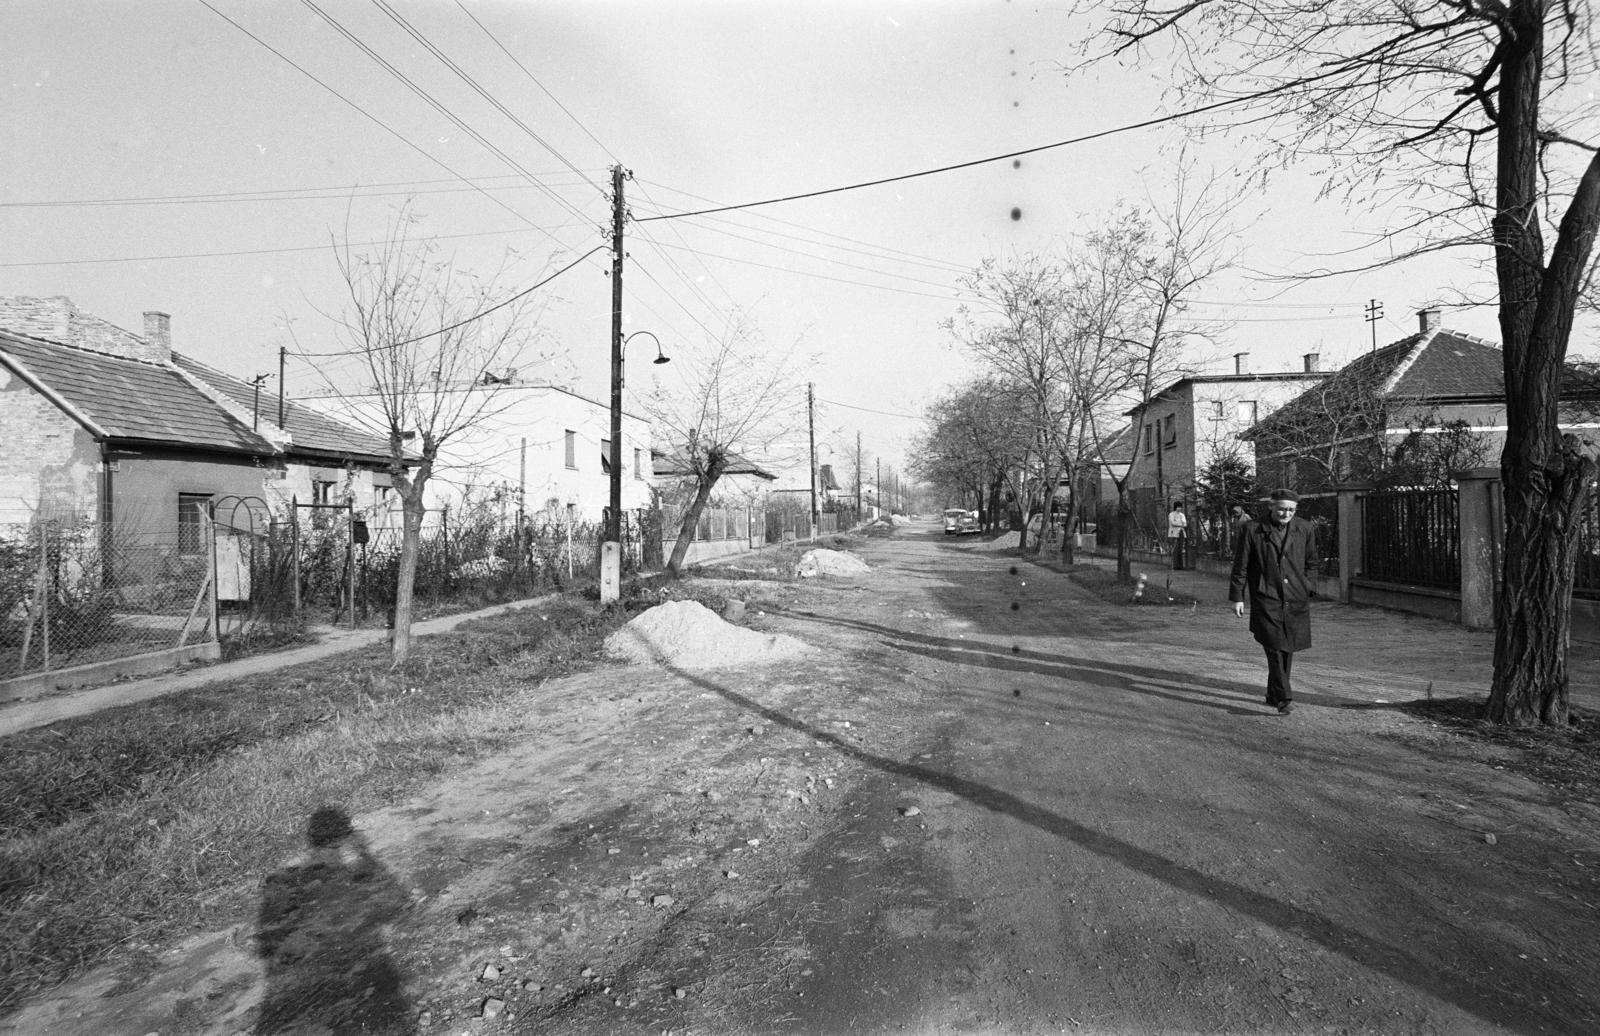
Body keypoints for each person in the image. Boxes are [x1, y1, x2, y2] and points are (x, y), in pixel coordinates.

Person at [1228, 489, 1319, 714]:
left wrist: (1309, 587)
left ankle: (1272, 694)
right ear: (1271, 507)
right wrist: (1238, 597)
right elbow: (1241, 566)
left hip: (1295, 597)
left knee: (1287, 647)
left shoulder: (1305, 528)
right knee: (1273, 646)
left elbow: (1312, 562)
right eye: (1281, 509)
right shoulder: (1252, 530)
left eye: (1291, 510)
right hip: (1266, 595)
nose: (1286, 513)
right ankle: (1284, 696)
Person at [1166, 501, 1188, 567]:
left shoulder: (1182, 515)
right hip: (1173, 534)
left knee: (1180, 550)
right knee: (1174, 549)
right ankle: (1174, 565)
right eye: (1178, 507)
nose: (1180, 508)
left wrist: (1180, 524)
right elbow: (1173, 523)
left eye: (1180, 507)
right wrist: (1180, 524)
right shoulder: (1171, 514)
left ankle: (1180, 566)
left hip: (1181, 533)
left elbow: (1185, 524)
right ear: (1175, 507)